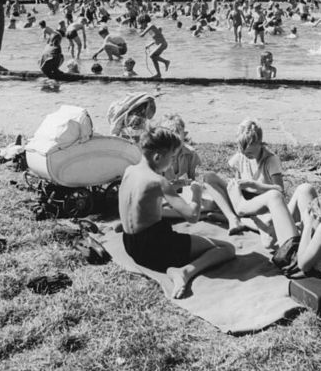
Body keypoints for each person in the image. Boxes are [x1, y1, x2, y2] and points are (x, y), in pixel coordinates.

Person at [119, 127, 235, 298]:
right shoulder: (158, 182)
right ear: (158, 157)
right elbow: (192, 216)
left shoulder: (130, 171)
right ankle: (184, 272)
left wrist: (174, 186)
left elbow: (143, 197)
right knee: (226, 248)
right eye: (171, 157)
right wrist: (196, 193)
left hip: (131, 245)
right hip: (155, 249)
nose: (172, 162)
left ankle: (176, 267)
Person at [204, 120, 285, 244]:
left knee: (269, 229)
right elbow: (237, 180)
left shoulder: (270, 160)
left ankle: (240, 219)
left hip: (260, 202)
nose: (246, 156)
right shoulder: (241, 156)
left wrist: (253, 184)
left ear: (260, 144)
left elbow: (279, 190)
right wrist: (234, 186)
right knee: (209, 178)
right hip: (242, 200)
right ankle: (233, 218)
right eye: (242, 152)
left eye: (250, 153)